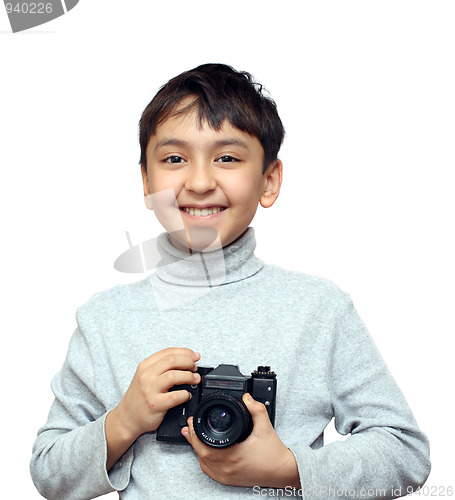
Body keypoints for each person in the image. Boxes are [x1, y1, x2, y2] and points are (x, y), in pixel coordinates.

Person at [30, 63, 430, 500]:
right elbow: (49, 472)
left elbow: (405, 454)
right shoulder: (105, 321)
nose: (200, 182)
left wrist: (289, 468)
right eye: (174, 159)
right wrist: (124, 420)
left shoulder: (318, 308)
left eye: (227, 158)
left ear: (269, 180)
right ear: (146, 181)